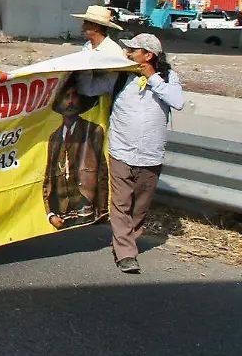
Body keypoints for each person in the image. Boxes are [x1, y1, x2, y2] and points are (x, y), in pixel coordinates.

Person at [79, 33, 184, 274]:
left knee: (140, 206)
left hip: (151, 154)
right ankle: (125, 252)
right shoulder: (120, 77)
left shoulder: (168, 78)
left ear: (148, 55)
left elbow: (177, 102)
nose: (127, 54)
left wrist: (152, 78)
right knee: (121, 203)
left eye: (133, 50)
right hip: (121, 151)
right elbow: (88, 88)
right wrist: (85, 63)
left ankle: (127, 238)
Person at [42, 77, 108, 231]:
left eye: (74, 96)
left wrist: (102, 210)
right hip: (61, 216)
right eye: (66, 97)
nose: (70, 101)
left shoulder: (93, 131)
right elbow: (48, 178)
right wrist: (50, 214)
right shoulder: (54, 137)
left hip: (87, 212)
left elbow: (102, 173)